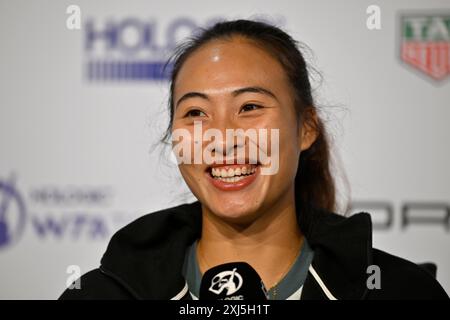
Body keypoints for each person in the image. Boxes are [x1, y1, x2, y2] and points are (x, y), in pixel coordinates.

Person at [59, 19, 448, 300]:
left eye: (249, 107)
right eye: (195, 113)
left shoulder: (400, 291)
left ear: (306, 128)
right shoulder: (101, 294)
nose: (222, 137)